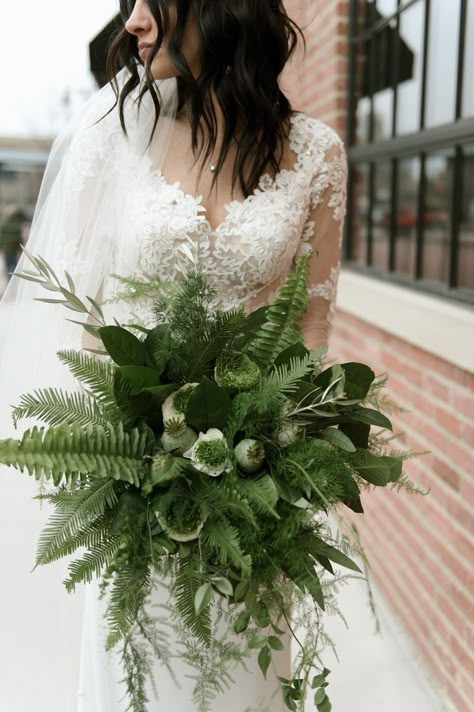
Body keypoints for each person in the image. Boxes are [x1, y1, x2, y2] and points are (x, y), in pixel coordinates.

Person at [0, 1, 347, 711]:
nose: (131, 21)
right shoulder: (113, 134)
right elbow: (76, 316)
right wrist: (130, 448)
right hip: (136, 488)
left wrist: (277, 450)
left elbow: (310, 326)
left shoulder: (317, 154)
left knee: (241, 683)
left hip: (254, 506)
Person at [0, 207, 25, 283]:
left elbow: (1, 237)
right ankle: (13, 281)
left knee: (8, 266)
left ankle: (9, 281)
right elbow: (19, 239)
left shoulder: (4, 224)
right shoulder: (17, 226)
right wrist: (21, 249)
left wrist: (1, 247)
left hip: (7, 249)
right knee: (14, 265)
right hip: (14, 249)